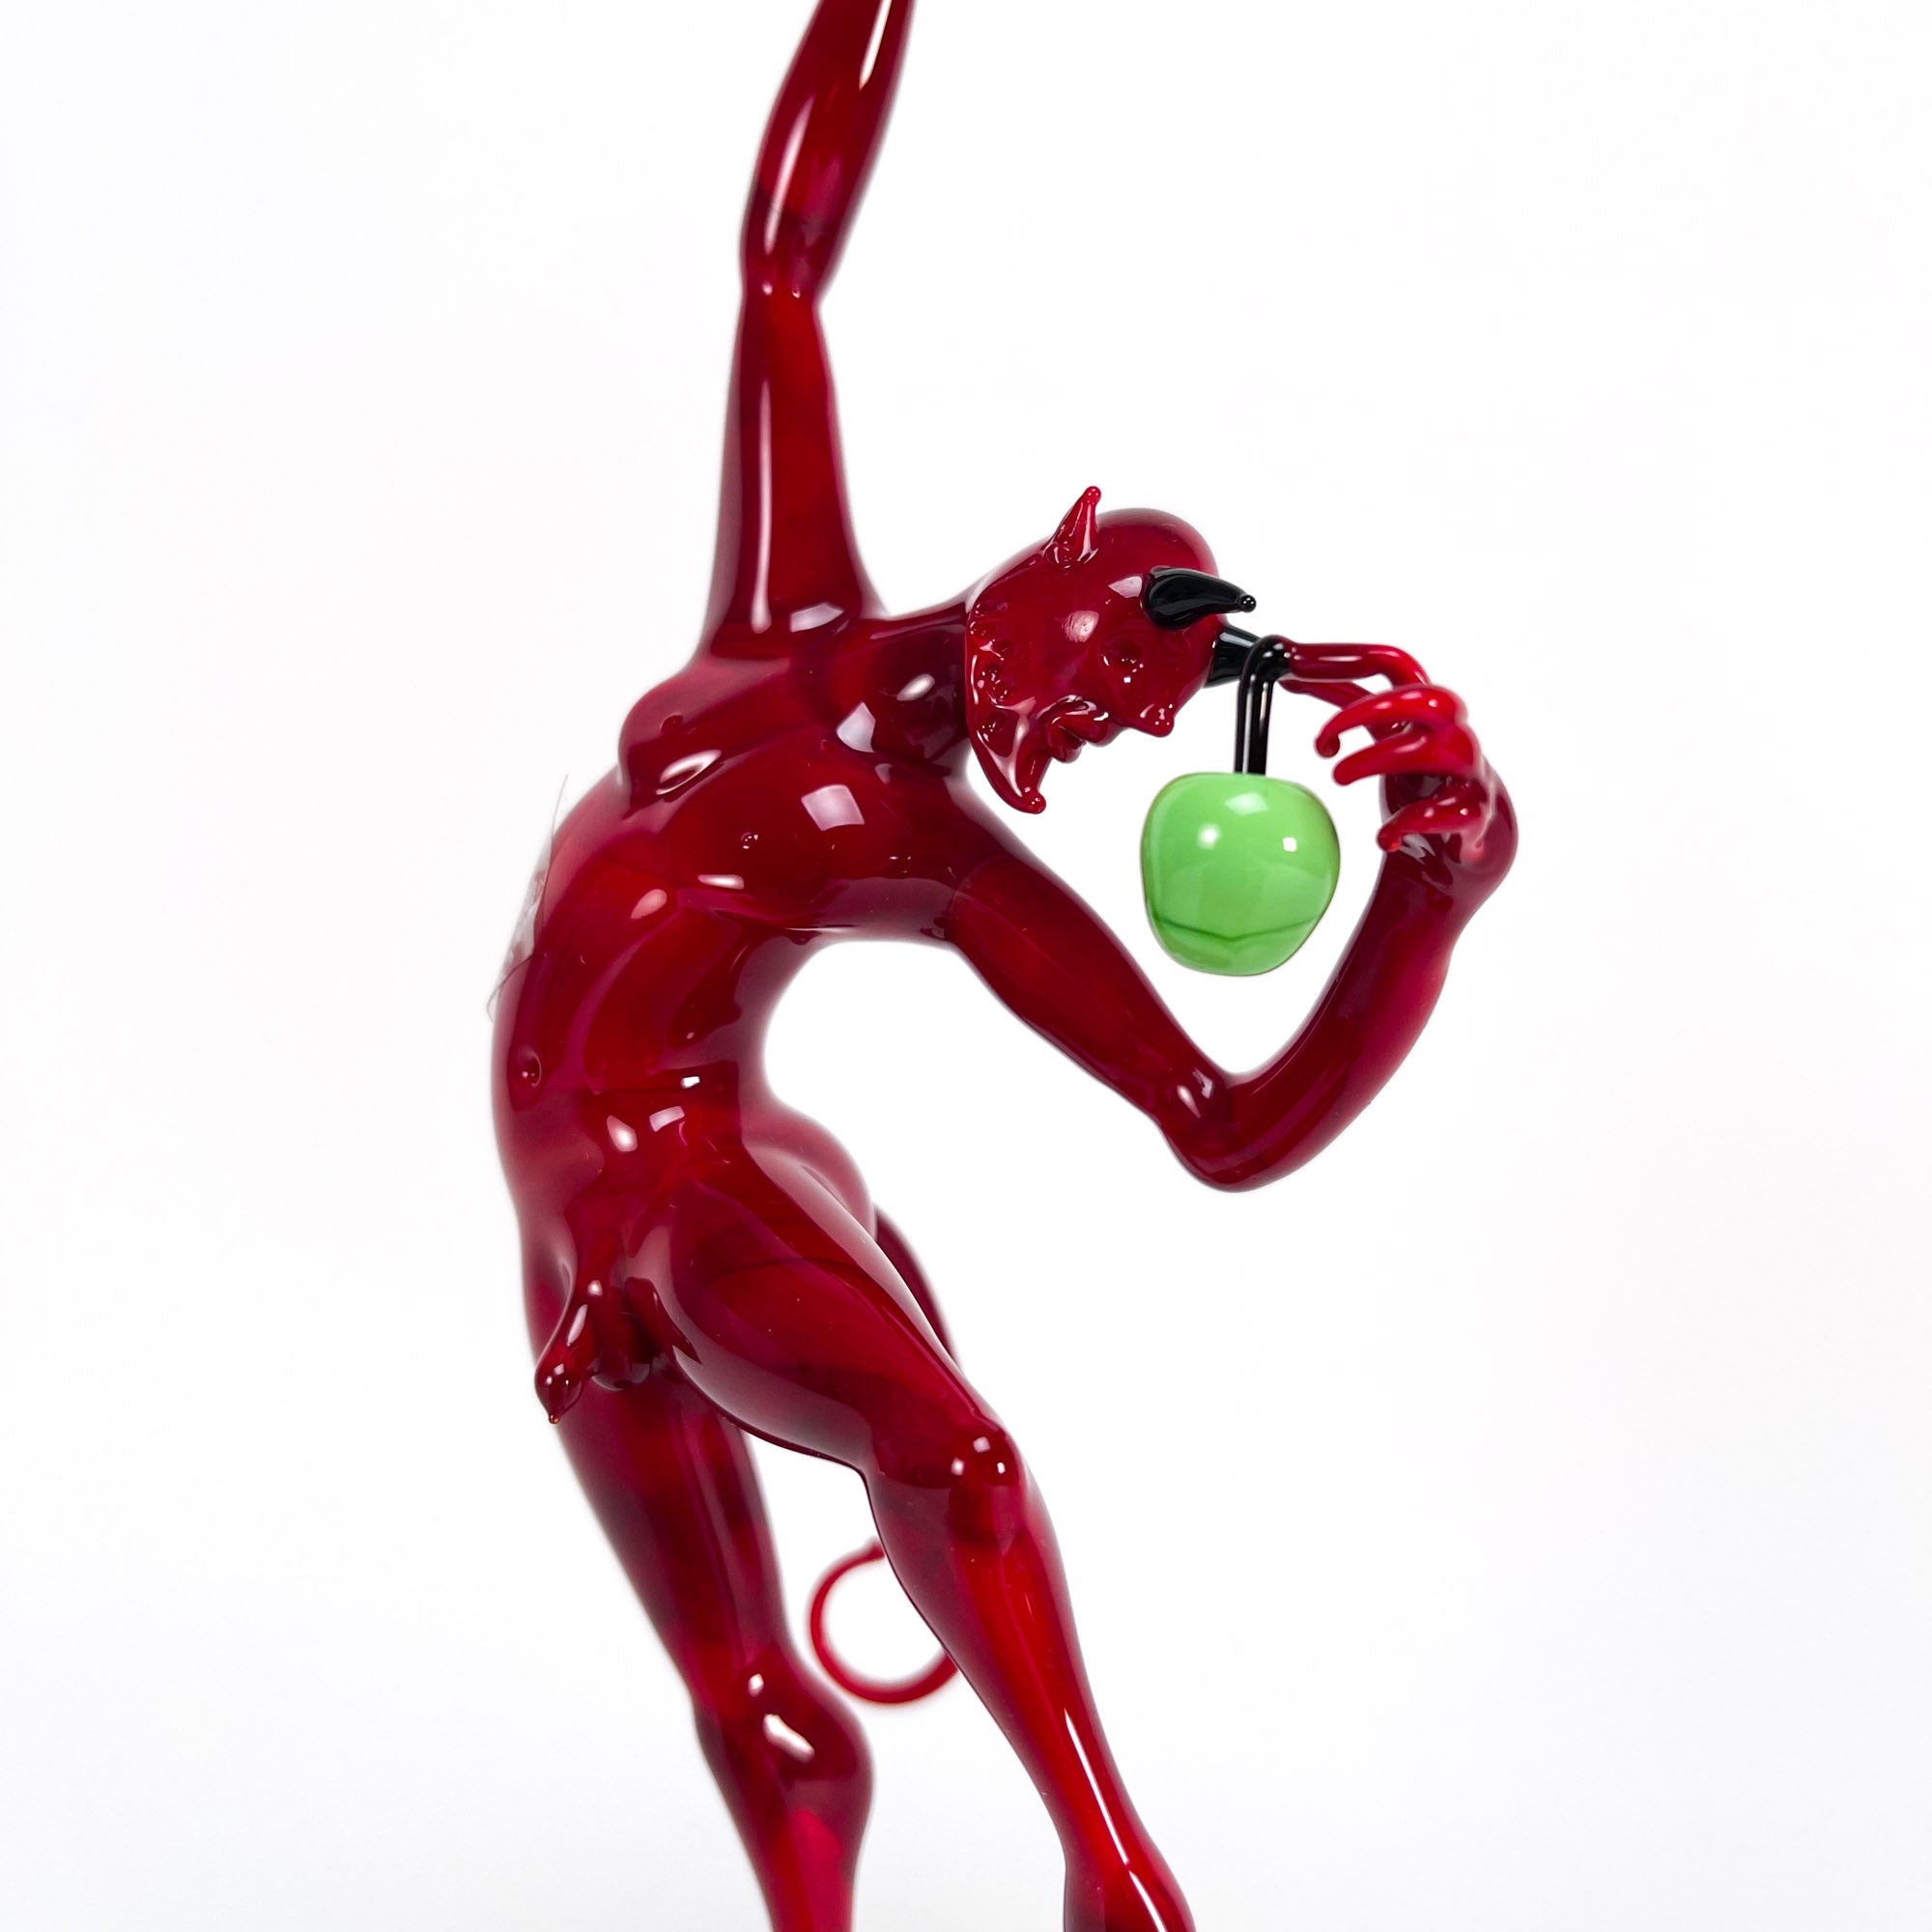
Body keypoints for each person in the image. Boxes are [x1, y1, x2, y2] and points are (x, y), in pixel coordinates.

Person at [491, 3, 1515, 1927]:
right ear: (1057, 545)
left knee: (949, 1452)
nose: (1096, 714)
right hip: (584, 1228)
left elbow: (1222, 1126)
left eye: (1135, 709)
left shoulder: (936, 857)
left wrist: (1429, 901)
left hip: (683, 1189)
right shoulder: (785, 602)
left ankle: (1108, 1871)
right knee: (754, 1706)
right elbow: (783, 258)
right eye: (1110, 653)